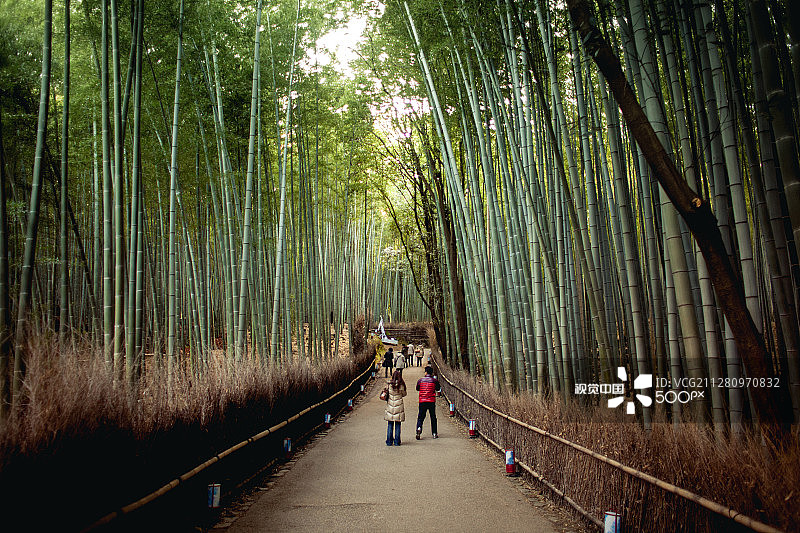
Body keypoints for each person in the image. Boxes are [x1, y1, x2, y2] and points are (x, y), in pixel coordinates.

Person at [416, 365, 441, 440]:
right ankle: (434, 433)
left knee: (421, 417)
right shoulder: (434, 381)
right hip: (431, 401)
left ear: (426, 372)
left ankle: (419, 428)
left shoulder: (420, 380)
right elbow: (438, 388)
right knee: (433, 417)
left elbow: (417, 388)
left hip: (422, 401)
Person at [384, 370, 407, 446]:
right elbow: (404, 394)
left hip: (390, 406)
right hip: (399, 406)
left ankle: (389, 441)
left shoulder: (389, 384)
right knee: (398, 424)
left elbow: (385, 393)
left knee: (390, 424)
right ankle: (397, 441)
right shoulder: (401, 385)